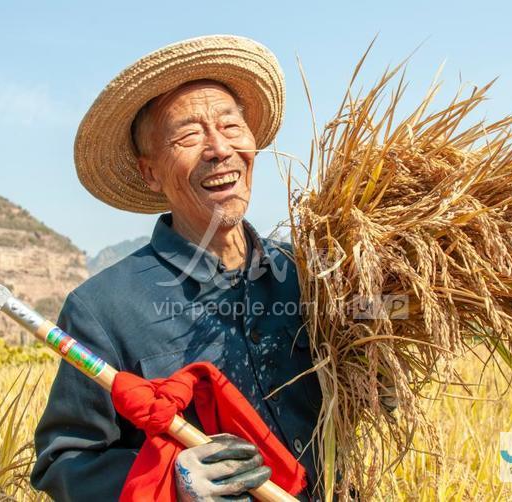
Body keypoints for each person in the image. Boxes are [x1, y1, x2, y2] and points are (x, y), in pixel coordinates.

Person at [30, 35, 322, 501]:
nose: (218, 148)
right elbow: (63, 461)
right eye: (188, 136)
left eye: (230, 126)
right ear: (150, 172)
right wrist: (172, 479)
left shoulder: (309, 274)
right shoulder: (102, 309)